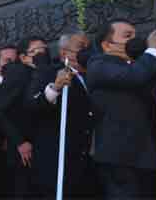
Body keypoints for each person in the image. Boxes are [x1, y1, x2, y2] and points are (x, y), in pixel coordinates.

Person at [88, 19, 156, 199]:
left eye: (136, 36)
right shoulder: (98, 64)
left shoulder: (143, 64)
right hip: (120, 157)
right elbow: (134, 77)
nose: (134, 41)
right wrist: (153, 49)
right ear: (106, 45)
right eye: (127, 36)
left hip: (147, 156)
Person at [27, 32, 98, 198]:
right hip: (60, 161)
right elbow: (32, 104)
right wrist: (55, 88)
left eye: (88, 47)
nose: (86, 51)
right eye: (80, 47)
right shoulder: (49, 72)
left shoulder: (93, 73)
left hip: (89, 159)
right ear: (64, 53)